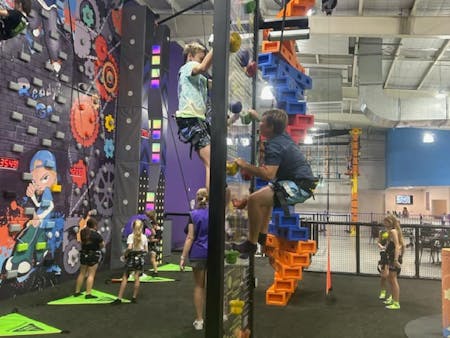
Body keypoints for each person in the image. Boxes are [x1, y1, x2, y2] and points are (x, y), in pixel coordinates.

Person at [231, 109, 316, 255]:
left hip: (299, 186)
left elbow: (268, 174)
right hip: (301, 183)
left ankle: (250, 244)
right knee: (263, 197)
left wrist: (244, 165)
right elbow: (272, 124)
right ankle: (262, 235)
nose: (260, 125)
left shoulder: (275, 145)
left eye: (262, 123)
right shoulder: (282, 135)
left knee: (254, 200)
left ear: (270, 127)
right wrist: (256, 116)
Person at [175, 42, 213, 191]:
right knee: (211, 162)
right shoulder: (188, 67)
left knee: (211, 161)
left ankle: (213, 197)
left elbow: (212, 83)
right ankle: (211, 202)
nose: (203, 60)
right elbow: (203, 67)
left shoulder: (199, 78)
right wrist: (216, 47)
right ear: (190, 57)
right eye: (200, 57)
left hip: (196, 119)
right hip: (190, 118)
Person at [180, 188, 209, 331]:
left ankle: (199, 320)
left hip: (197, 254)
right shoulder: (215, 214)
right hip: (213, 253)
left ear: (197, 198)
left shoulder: (192, 215)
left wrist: (182, 257)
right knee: (213, 287)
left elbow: (190, 237)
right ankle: (219, 315)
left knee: (199, 286)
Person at [112, 219, 148, 304]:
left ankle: (119, 298)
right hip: (140, 259)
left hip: (131, 258)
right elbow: (146, 250)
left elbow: (129, 248)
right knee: (137, 277)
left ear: (133, 227)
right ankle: (134, 297)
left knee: (125, 277)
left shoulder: (131, 236)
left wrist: (124, 255)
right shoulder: (144, 237)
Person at [74, 217, 104, 299]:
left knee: (82, 273)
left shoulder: (83, 232)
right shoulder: (97, 235)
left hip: (84, 254)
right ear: (94, 226)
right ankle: (88, 293)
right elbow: (102, 245)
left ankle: (77, 291)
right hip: (93, 255)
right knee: (91, 275)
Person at [382, 214, 404, 310]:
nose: (384, 223)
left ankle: (396, 302)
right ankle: (393, 298)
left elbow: (397, 246)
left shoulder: (393, 231)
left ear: (390, 222)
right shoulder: (391, 232)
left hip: (393, 259)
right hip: (391, 258)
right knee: (391, 279)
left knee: (393, 280)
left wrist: (396, 260)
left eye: (386, 222)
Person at [146, 210, 162, 277]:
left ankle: (156, 272)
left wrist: (149, 240)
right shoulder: (150, 224)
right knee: (152, 259)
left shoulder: (157, 228)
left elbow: (157, 239)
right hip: (149, 244)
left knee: (152, 259)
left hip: (153, 245)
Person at [377, 229, 389, 300]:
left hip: (391, 255)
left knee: (391, 277)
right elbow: (378, 242)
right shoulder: (382, 231)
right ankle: (383, 292)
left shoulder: (394, 231)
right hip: (383, 254)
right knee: (383, 276)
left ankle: (392, 294)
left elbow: (399, 244)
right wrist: (381, 246)